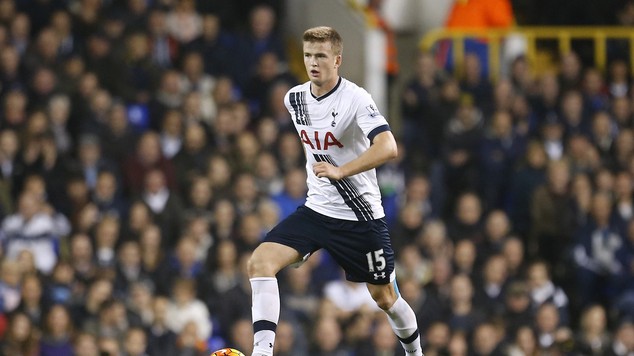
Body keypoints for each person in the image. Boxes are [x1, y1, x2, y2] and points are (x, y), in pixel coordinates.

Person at [247, 26, 424, 356]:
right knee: (260, 262)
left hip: (360, 218)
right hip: (316, 210)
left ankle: (416, 353)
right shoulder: (294, 98)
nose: (313, 63)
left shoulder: (356, 99)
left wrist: (341, 170)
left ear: (338, 60)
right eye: (308, 56)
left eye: (321, 56)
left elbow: (388, 147)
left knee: (385, 298)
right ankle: (262, 352)